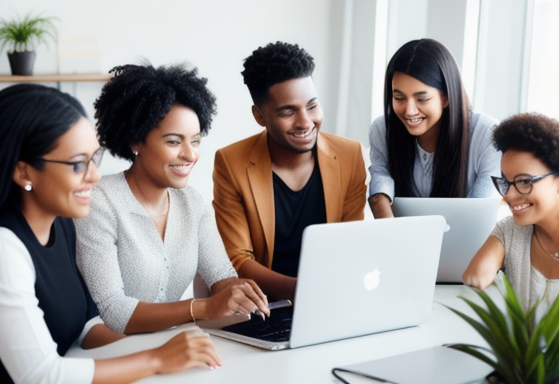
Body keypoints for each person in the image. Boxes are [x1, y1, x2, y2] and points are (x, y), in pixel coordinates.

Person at [0, 84, 221, 384]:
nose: (94, 176)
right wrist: (158, 358)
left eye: (93, 159)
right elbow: (41, 375)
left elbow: (83, 326)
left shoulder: (62, 226)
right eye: (77, 165)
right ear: (24, 172)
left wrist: (166, 345)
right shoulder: (0, 246)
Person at [75, 63, 269, 336]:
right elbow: (113, 311)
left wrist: (237, 292)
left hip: (171, 344)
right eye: (174, 142)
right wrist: (201, 308)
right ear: (135, 141)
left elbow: (221, 276)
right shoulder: (99, 202)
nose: (190, 155)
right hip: (104, 348)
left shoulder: (192, 202)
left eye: (196, 141)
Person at [212, 41, 367, 302]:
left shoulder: (350, 155)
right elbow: (237, 259)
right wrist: (302, 290)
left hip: (336, 299)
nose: (305, 122)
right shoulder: (231, 162)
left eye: (312, 106)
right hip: (266, 306)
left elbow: (352, 243)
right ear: (260, 116)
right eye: (288, 112)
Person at [368, 38, 501, 219]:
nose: (409, 111)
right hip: (406, 242)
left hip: (469, 246)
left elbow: (480, 214)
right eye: (399, 98)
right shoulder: (382, 130)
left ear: (446, 98)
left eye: (422, 99)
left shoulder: (487, 134)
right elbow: (380, 187)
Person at [463, 113, 559, 319]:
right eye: (506, 183)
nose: (508, 196)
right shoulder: (511, 230)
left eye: (524, 182)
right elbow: (475, 278)